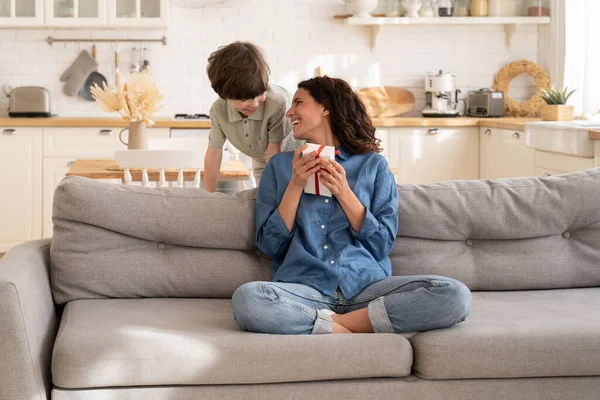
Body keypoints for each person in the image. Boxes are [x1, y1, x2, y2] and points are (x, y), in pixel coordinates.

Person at [231, 76, 472, 335]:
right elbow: (270, 246)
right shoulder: (279, 167)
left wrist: (344, 192)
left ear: (326, 108)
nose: (289, 113)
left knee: (453, 295)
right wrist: (296, 185)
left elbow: (381, 245)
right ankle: (363, 325)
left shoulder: (374, 166)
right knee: (248, 299)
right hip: (304, 288)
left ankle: (333, 326)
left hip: (367, 287)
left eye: (298, 103)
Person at [204, 41, 292, 191]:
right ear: (225, 96)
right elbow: (214, 153)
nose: (254, 104)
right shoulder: (218, 110)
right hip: (261, 156)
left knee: (280, 198)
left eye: (259, 94)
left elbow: (274, 154)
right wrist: (208, 195)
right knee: (263, 199)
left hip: (292, 156)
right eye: (244, 99)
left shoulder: (276, 104)